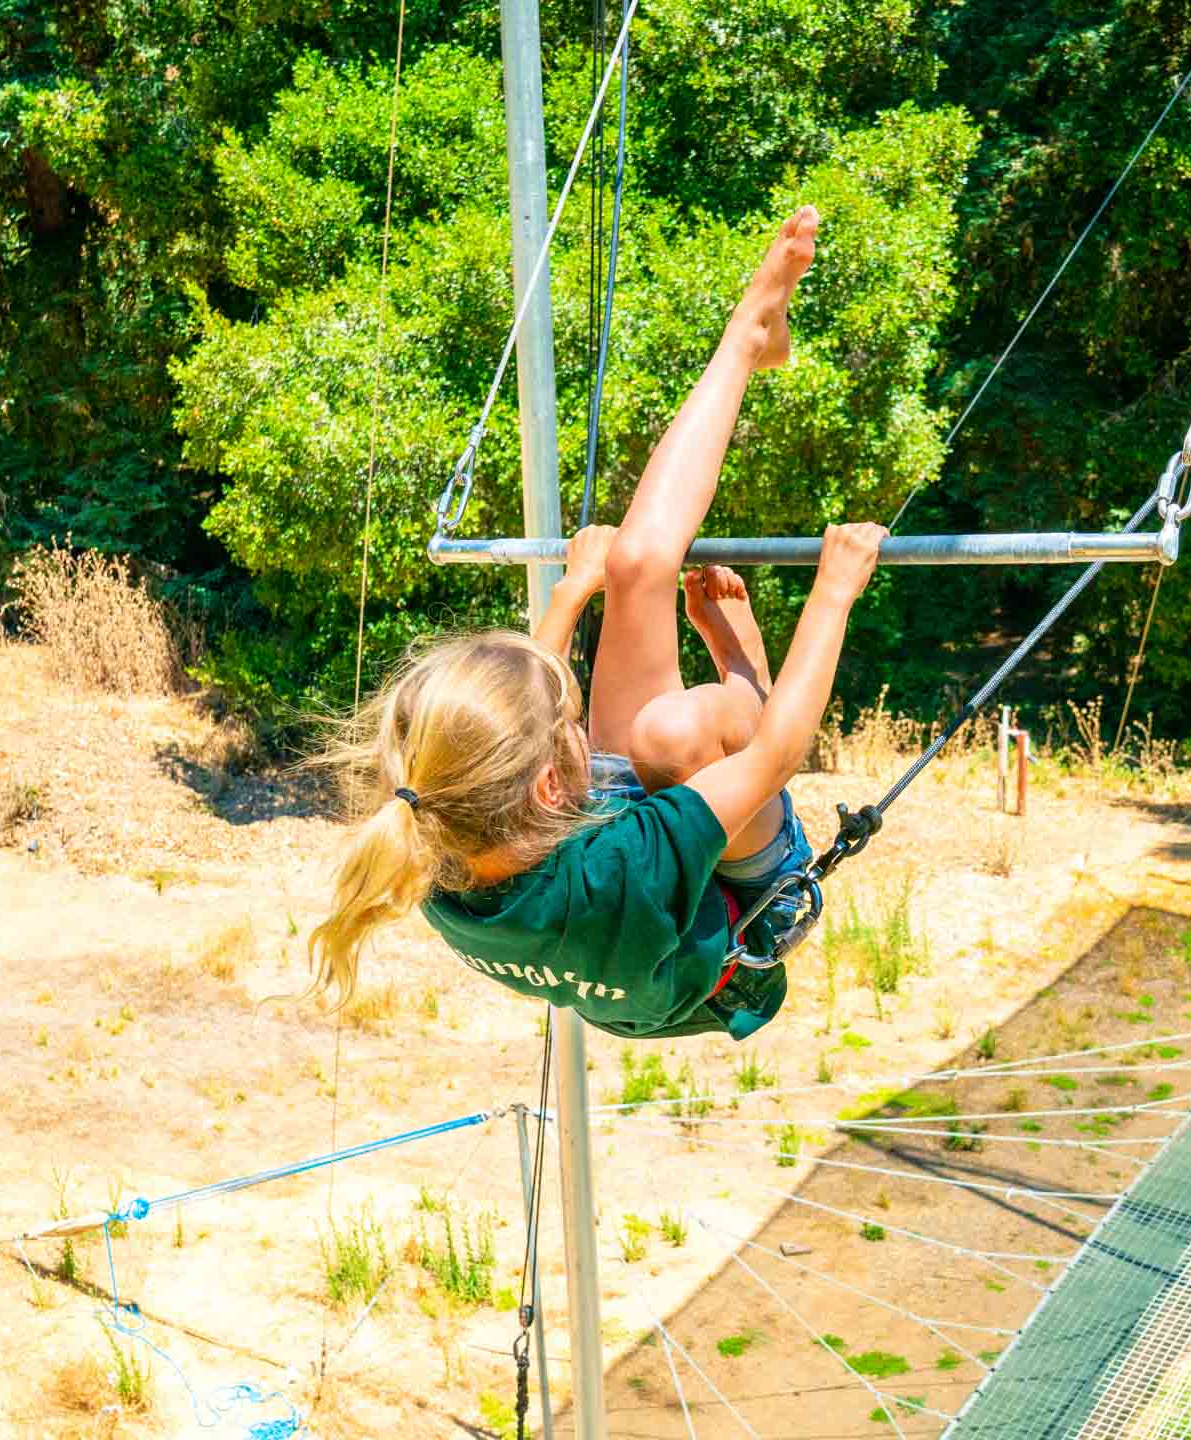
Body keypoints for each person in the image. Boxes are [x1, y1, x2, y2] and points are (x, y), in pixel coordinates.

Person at [305, 205, 885, 1040]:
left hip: (598, 875)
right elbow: (776, 756)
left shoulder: (432, 838)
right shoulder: (620, 865)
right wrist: (833, 591)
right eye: (567, 727)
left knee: (636, 568)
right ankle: (740, 673)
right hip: (733, 920)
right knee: (682, 731)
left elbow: (512, 726)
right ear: (549, 783)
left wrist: (578, 591)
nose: (576, 723)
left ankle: (750, 337)